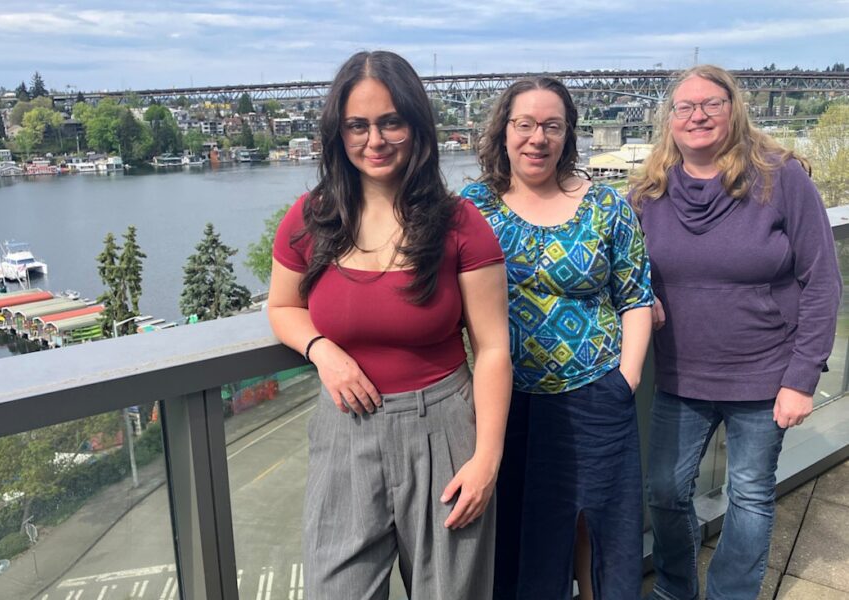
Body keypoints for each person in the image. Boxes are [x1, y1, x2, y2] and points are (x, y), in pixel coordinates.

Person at [267, 50, 512, 600]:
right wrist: (321, 350)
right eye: (357, 125)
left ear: (416, 126)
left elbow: (493, 348)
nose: (374, 140)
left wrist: (486, 460)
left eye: (390, 122)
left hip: (443, 430)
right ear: (338, 133)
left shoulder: (460, 223)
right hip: (343, 432)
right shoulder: (311, 218)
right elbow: (282, 307)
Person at [630, 65, 841, 600]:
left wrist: (801, 377)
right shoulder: (649, 190)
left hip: (766, 374)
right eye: (685, 106)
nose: (697, 115)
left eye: (712, 104)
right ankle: (675, 588)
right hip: (680, 374)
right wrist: (643, 294)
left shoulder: (780, 178)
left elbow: (822, 281)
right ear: (669, 119)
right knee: (664, 492)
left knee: (749, 494)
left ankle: (730, 594)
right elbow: (624, 266)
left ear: (734, 111)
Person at [461, 76, 654, 599]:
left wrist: (627, 379)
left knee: (599, 526)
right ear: (503, 131)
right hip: (506, 400)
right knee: (518, 529)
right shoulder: (473, 207)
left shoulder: (606, 206)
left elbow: (636, 296)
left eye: (552, 126)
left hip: (596, 393)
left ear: (568, 135)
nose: (537, 138)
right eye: (524, 124)